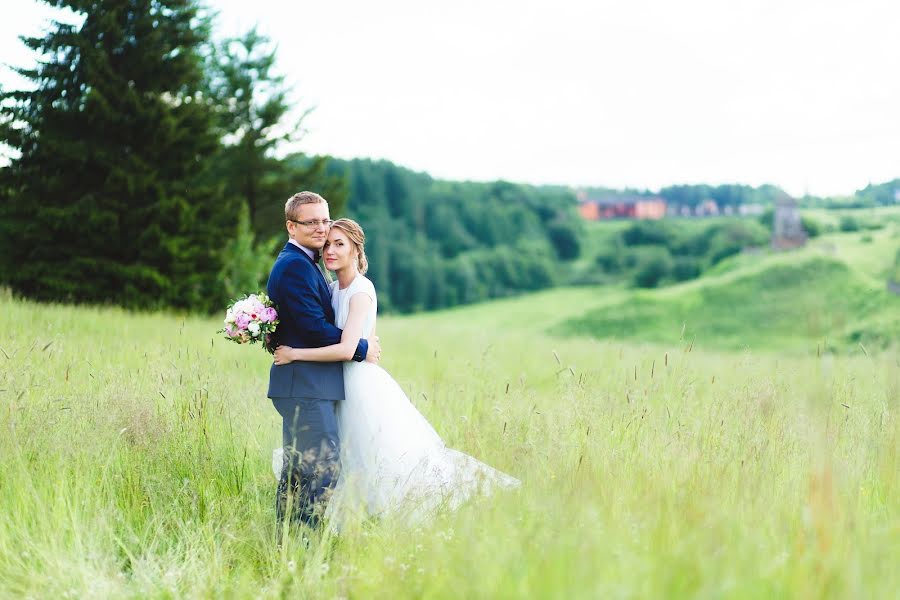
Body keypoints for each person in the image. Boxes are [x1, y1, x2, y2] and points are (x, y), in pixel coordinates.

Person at [273, 218, 520, 529]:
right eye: (327, 245)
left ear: (355, 249)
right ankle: (350, 519)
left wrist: (295, 354)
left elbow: (349, 349)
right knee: (348, 452)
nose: (330, 251)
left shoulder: (361, 290)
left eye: (339, 244)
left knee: (383, 455)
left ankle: (400, 514)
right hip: (334, 382)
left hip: (359, 381)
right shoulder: (333, 287)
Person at [266, 192, 381, 539]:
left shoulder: (309, 264)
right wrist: (359, 347)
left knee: (301, 470)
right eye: (311, 222)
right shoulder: (295, 267)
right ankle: (306, 542)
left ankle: (289, 538)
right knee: (321, 469)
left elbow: (297, 324)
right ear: (291, 226)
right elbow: (314, 329)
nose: (320, 228)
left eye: (324, 220)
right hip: (305, 385)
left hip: (310, 383)